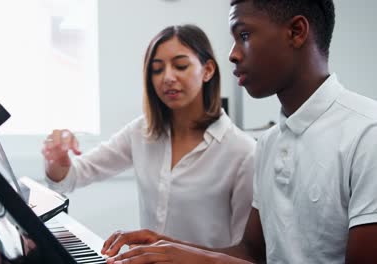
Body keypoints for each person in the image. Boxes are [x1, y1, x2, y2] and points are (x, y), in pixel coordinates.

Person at [101, 0, 377, 263]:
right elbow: (252, 253)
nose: (232, 54)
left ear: (296, 32)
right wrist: (167, 246)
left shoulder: (367, 133)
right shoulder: (270, 143)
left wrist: (194, 259)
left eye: (244, 34)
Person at [42, 24, 256, 248]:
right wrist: (57, 160)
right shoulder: (141, 132)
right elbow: (70, 177)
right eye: (156, 70)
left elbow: (245, 255)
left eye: (180, 66)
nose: (167, 77)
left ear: (208, 70)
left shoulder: (242, 152)